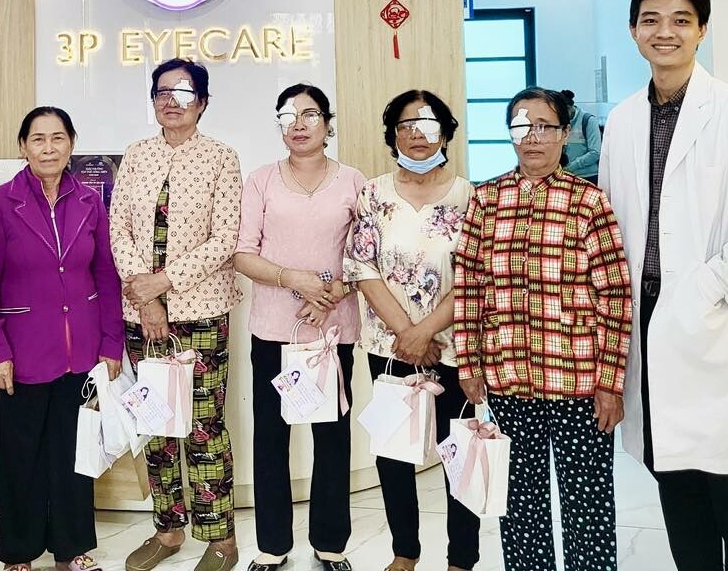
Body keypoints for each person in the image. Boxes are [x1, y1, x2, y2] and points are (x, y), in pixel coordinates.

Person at [599, 0, 728, 571]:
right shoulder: (623, 119)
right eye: (652, 20)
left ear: (702, 31)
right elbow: (610, 226)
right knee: (676, 483)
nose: (666, 32)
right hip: (645, 324)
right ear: (634, 31)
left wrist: (704, 288)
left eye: (681, 20)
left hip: (714, 323)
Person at [455, 87, 632, 571]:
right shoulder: (486, 200)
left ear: (565, 133)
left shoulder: (589, 202)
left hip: (578, 382)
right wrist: (469, 364)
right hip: (509, 377)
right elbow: (469, 286)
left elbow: (616, 297)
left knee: (587, 504)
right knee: (519, 503)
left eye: (544, 127)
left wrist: (610, 383)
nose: (532, 137)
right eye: (521, 127)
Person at [0, 106, 126, 571]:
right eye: (37, 139)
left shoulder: (90, 201)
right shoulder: (0, 203)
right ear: (23, 146)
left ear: (71, 144)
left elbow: (106, 274)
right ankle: (19, 552)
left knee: (74, 454)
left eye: (57, 138)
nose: (48, 148)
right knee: (19, 455)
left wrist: (112, 342)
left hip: (80, 349)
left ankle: (72, 547)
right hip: (21, 350)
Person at [110, 59, 243, 571]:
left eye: (184, 93)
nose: (172, 101)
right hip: (141, 314)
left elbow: (225, 238)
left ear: (202, 103)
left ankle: (221, 538)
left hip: (200, 312)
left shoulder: (221, 157)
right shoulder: (136, 155)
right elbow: (118, 228)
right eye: (163, 92)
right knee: (157, 426)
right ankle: (167, 531)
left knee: (204, 427)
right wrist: (146, 299)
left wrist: (162, 284)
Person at [343, 90, 478, 571]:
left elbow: (475, 276)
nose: (417, 134)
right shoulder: (374, 193)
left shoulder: (470, 196)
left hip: (453, 346)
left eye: (427, 124)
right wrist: (407, 333)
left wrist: (426, 332)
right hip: (389, 345)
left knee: (458, 452)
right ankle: (405, 552)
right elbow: (362, 267)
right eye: (406, 125)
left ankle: (462, 557)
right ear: (393, 135)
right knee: (394, 453)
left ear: (445, 132)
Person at [234, 84, 366, 571]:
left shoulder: (353, 182)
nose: (299, 124)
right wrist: (295, 279)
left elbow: (365, 255)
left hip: (332, 332)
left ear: (328, 123)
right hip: (274, 331)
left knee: (331, 438)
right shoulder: (261, 180)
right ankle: (272, 546)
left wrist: (329, 293)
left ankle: (330, 544)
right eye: (288, 115)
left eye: (310, 114)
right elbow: (243, 253)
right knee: (271, 439)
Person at [558, 90, 602, 183]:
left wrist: (571, 167)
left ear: (570, 107)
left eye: (563, 113)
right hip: (565, 176)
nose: (561, 116)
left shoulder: (588, 120)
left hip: (588, 177)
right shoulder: (559, 122)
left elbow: (595, 152)